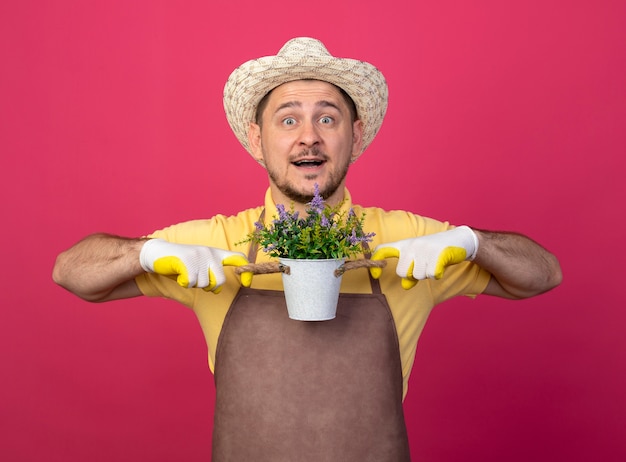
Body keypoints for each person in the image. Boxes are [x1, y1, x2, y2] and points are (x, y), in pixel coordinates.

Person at [53, 37, 562, 461]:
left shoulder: (404, 238)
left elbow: (542, 275)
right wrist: (145, 253)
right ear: (257, 139)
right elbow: (71, 272)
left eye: (328, 118)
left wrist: (469, 241)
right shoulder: (219, 243)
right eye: (288, 119)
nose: (309, 138)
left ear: (355, 135)